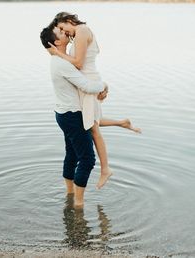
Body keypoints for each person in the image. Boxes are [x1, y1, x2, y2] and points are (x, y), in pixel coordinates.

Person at [47, 12, 141, 189]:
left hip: (88, 82)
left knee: (92, 128)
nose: (63, 31)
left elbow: (79, 63)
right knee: (89, 119)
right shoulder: (77, 34)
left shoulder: (82, 30)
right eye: (59, 30)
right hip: (85, 82)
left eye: (61, 27)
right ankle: (122, 122)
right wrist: (56, 53)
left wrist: (58, 54)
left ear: (68, 21)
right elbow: (73, 62)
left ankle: (105, 169)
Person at [40, 25, 108, 208]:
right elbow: (86, 85)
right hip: (71, 115)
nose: (66, 32)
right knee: (87, 159)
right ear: (56, 42)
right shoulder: (62, 63)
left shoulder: (58, 60)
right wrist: (104, 85)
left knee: (71, 155)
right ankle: (78, 205)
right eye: (61, 32)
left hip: (63, 114)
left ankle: (70, 194)